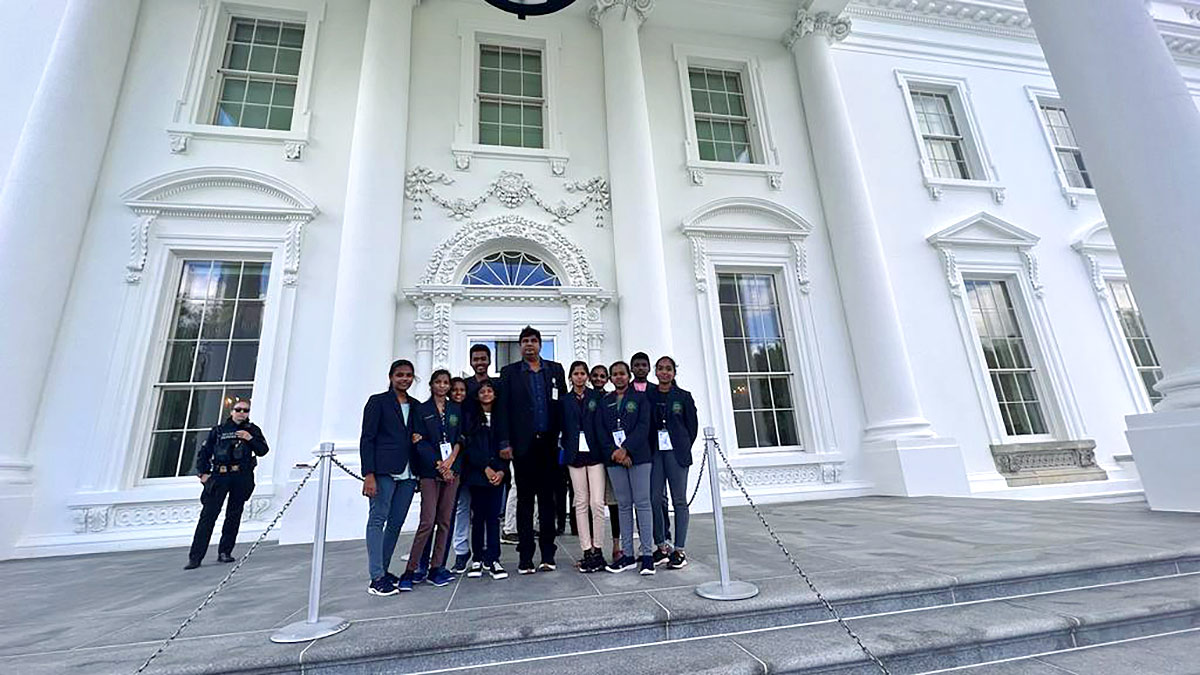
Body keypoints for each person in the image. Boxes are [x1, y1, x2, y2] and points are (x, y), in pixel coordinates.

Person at [496, 326, 567, 574]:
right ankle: (525, 556)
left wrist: (564, 440)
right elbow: (502, 410)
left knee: (548, 502)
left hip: (549, 446)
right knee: (525, 502)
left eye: (533, 341)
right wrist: (504, 443)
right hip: (522, 447)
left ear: (540, 344)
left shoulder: (555, 370)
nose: (529, 345)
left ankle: (548, 554)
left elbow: (563, 408)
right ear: (520, 346)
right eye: (525, 341)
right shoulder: (509, 373)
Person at [358, 360, 421, 596]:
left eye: (408, 375)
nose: (404, 379)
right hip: (383, 471)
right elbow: (367, 438)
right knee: (377, 520)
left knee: (395, 523)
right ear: (391, 377)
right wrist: (369, 474)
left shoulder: (415, 405)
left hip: (408, 474)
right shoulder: (378, 402)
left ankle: (383, 571)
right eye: (400, 375)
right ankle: (376, 577)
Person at [185, 398, 269, 569]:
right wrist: (203, 474)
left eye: (245, 410)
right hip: (220, 476)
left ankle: (225, 552)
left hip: (241, 476)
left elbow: (263, 451)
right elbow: (205, 452)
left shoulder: (252, 430)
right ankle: (195, 557)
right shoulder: (218, 431)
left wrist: (250, 438)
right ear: (232, 411)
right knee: (208, 516)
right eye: (238, 409)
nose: (242, 413)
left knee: (234, 515)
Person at [399, 370, 464, 591]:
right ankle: (411, 569)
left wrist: (451, 462)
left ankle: (437, 567)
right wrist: (439, 464)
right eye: (438, 382)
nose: (443, 386)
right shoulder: (422, 409)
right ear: (431, 384)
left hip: (452, 471)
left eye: (446, 382)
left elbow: (459, 438)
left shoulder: (455, 409)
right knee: (427, 521)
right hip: (430, 471)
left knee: (445, 521)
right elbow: (419, 440)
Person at [597, 361, 655, 575]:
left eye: (622, 373)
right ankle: (627, 555)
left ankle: (647, 555)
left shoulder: (641, 399)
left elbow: (643, 427)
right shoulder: (606, 401)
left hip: (639, 458)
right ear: (611, 378)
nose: (619, 377)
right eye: (615, 374)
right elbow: (600, 429)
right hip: (614, 459)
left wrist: (627, 450)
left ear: (628, 376)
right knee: (622, 505)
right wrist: (615, 452)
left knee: (642, 504)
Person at [647, 356, 699, 570]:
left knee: (679, 500)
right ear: (655, 372)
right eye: (661, 369)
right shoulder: (649, 396)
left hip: (677, 454)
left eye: (669, 369)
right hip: (656, 453)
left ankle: (679, 549)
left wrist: (682, 445)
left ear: (674, 373)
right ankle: (661, 545)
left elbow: (692, 427)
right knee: (654, 498)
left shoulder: (684, 397)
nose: (665, 372)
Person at [560, 361, 607, 573]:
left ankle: (598, 548)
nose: (579, 377)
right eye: (576, 374)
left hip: (595, 454)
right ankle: (586, 550)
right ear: (571, 377)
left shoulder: (596, 398)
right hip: (574, 455)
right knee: (580, 502)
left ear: (587, 377)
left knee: (597, 502)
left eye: (582, 373)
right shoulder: (564, 400)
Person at [462, 381, 509, 580]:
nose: (487, 394)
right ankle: (477, 559)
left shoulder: (503, 418)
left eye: (490, 391)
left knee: (493, 518)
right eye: (483, 391)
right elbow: (469, 448)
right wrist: (485, 468)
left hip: (498, 475)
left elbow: (507, 448)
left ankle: (494, 559)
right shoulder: (471, 417)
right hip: (478, 475)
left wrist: (502, 471)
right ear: (477, 395)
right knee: (478, 517)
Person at [631, 351, 671, 549]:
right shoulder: (624, 390)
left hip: (656, 448)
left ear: (649, 368)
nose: (640, 368)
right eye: (636, 365)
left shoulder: (657, 390)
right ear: (632, 368)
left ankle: (664, 536)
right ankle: (645, 538)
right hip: (636, 452)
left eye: (643, 365)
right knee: (641, 498)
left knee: (660, 496)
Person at [590, 364, 622, 562]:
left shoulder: (611, 399)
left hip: (609, 457)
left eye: (603, 376)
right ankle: (593, 547)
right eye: (595, 375)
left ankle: (617, 545)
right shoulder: (585, 398)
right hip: (590, 458)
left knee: (614, 503)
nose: (599, 379)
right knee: (593, 503)